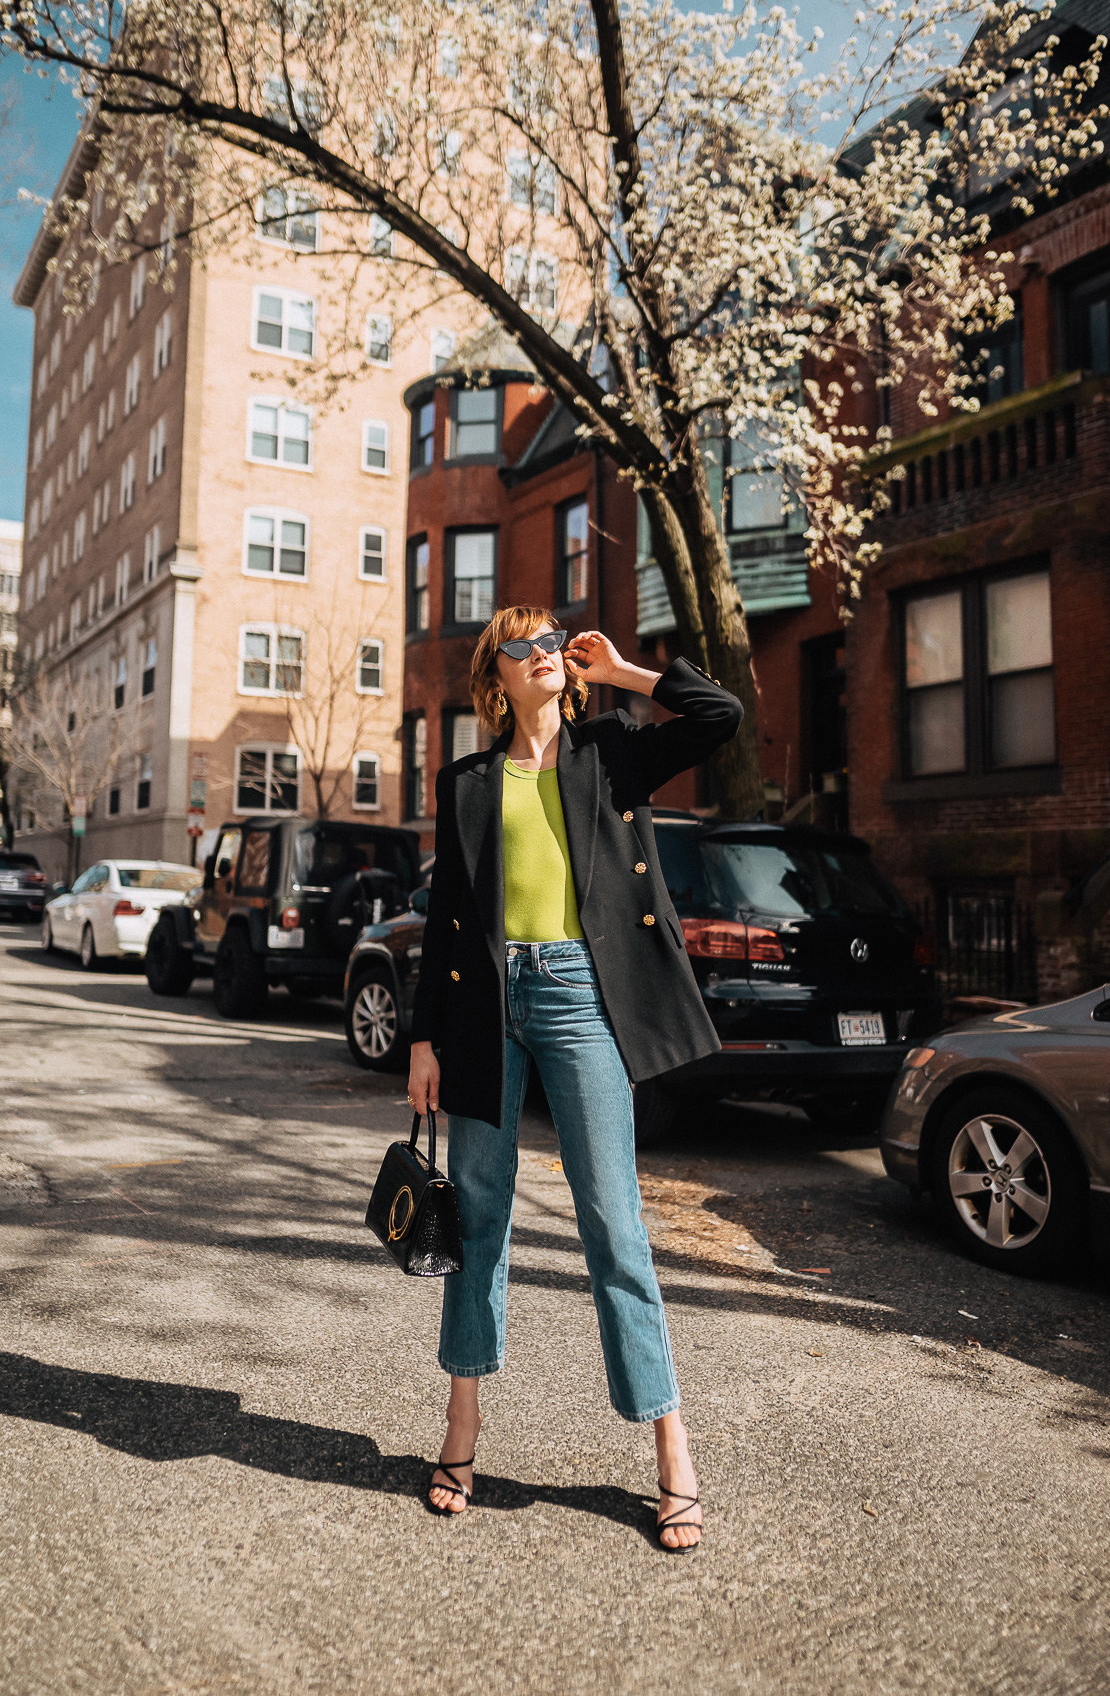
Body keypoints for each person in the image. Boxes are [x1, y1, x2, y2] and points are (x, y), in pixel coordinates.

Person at [407, 607, 743, 1552]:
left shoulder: (609, 753)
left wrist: (631, 671)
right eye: (522, 646)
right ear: (495, 678)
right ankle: (462, 1425)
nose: (544, 653)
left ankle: (671, 1446)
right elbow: (445, 923)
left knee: (613, 1218)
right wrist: (424, 1038)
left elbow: (719, 718)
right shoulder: (467, 783)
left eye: (553, 639)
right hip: (485, 1004)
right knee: (478, 1212)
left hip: (580, 995)